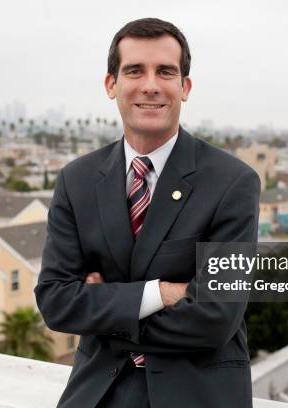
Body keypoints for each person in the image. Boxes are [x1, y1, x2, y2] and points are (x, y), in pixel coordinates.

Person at [35, 17, 259, 408]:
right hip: (96, 394)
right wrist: (163, 293)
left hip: (196, 395)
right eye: (135, 70)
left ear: (184, 87)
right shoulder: (77, 180)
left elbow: (215, 318)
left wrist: (103, 305)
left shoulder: (232, 183)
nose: (151, 85)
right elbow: (56, 301)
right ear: (111, 84)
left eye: (166, 72)